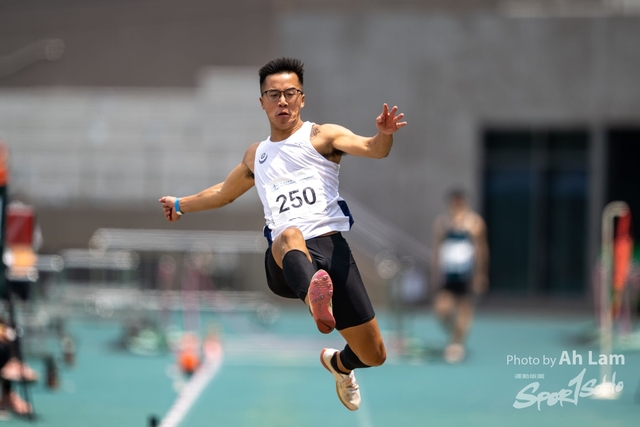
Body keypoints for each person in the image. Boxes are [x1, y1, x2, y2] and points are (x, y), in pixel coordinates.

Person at [159, 57, 406, 411]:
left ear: (302, 98)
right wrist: (180, 204)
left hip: (332, 249)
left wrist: (384, 134)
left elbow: (372, 149)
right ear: (262, 102)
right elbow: (223, 193)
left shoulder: (323, 137)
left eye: (290, 93)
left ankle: (339, 364)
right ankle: (315, 300)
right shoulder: (257, 155)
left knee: (375, 354)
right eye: (273, 95)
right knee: (289, 233)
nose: (283, 101)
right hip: (286, 258)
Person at [431, 189, 488, 363]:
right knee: (442, 310)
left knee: (464, 309)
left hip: (466, 273)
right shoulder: (442, 223)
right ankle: (455, 335)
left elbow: (482, 250)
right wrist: (435, 271)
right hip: (448, 273)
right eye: (453, 203)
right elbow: (437, 249)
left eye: (459, 203)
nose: (456, 206)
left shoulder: (474, 223)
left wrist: (481, 274)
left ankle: (457, 343)